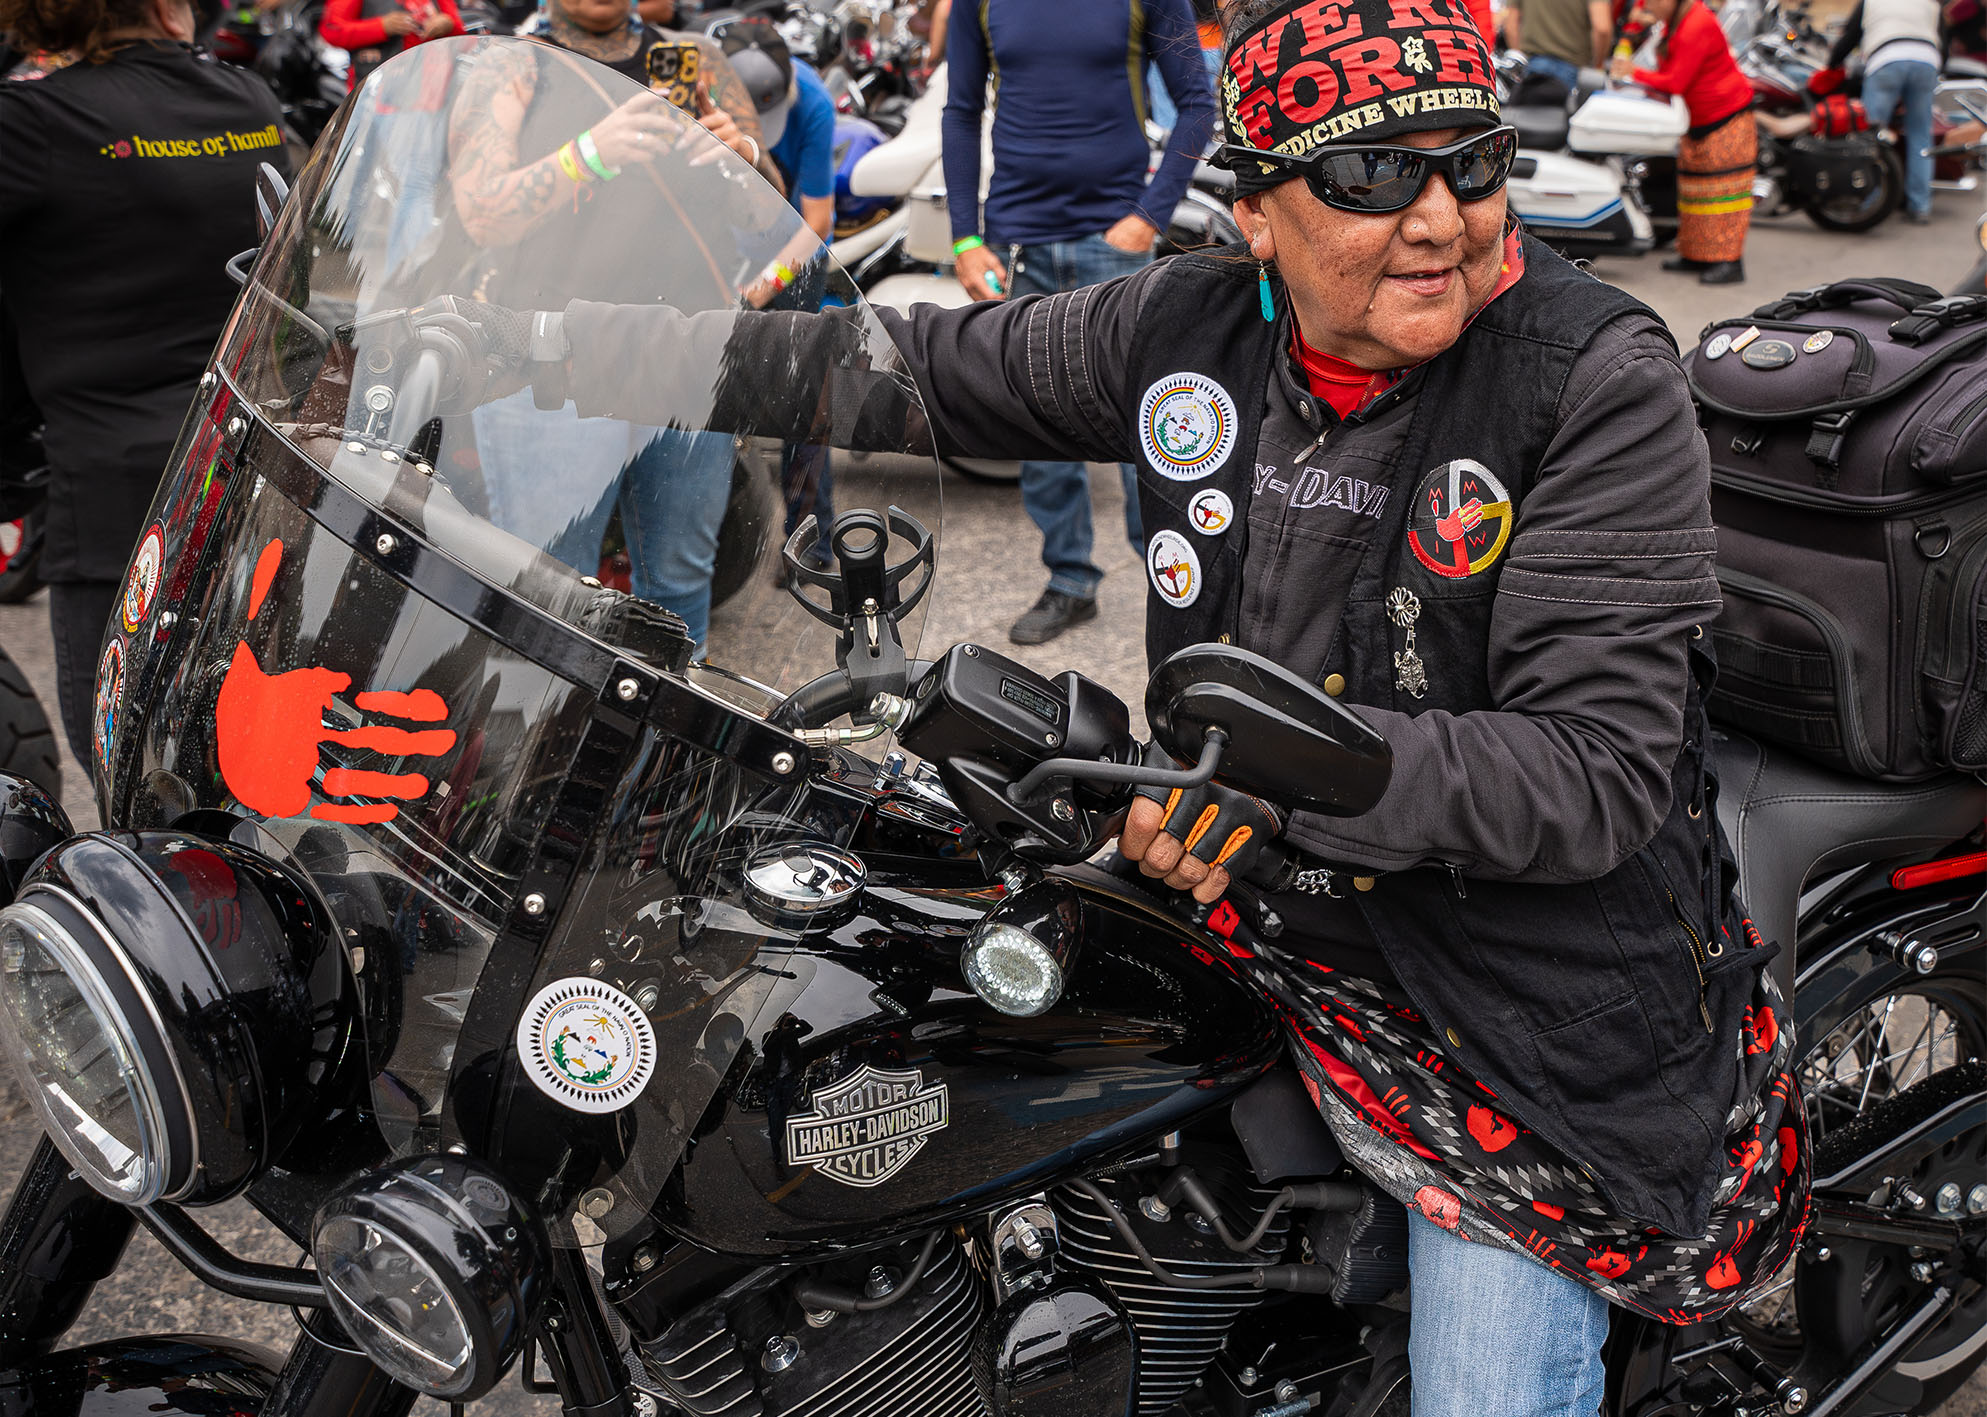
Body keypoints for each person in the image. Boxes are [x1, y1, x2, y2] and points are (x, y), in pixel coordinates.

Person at [532, 0, 1809, 1403]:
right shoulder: (1188, 324)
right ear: (1256, 212)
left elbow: (1590, 771)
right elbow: (906, 379)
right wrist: (552, 348)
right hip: (1235, 911)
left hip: (1514, 1013)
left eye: (1471, 160)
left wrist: (1282, 788)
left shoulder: (1589, 378)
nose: (1439, 214)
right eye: (1370, 174)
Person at [0, 0, 287, 765]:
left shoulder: (33, 121)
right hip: (254, 474)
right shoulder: (249, 101)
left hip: (117, 495)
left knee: (126, 773)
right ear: (166, 8)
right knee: (247, 771)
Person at [446, 7, 772, 645]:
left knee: (680, 581)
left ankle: (667, 740)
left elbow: (769, 210)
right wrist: (592, 152)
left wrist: (743, 154)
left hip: (689, 354)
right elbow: (481, 215)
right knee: (549, 587)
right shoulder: (514, 65)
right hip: (552, 361)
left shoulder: (695, 58)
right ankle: (552, 737)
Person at [943, 0, 1214, 647]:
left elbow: (1197, 103)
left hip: (1113, 243)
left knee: (1147, 424)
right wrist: (962, 238)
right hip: (1017, 245)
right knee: (1039, 425)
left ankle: (1174, 584)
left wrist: (1150, 214)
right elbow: (959, 110)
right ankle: (1070, 580)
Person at [1612, 0, 1755, 282]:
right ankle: (1695, 256)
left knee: (1723, 194)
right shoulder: (1678, 20)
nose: (1648, 9)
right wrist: (1640, 24)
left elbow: (1676, 82)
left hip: (1726, 117)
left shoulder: (1696, 23)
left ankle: (1729, 262)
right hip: (1698, 119)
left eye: (1652, 5)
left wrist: (1632, 71)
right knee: (1694, 193)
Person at [1819, 0, 1944, 225]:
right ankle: (1920, 206)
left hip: (1886, 58)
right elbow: (1942, 36)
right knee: (1920, 134)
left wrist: (1831, 64)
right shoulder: (1929, 2)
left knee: (1870, 135)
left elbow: (1850, 36)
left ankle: (1871, 201)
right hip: (1927, 60)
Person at [318, 0, 460, 90]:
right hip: (378, 96)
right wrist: (382, 26)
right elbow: (332, 30)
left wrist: (447, 23)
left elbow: (460, 31)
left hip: (434, 92)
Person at [1505, 0, 1611, 90]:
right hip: (1572, 69)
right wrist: (1598, 64)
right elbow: (1602, 28)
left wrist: (1521, 62)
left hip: (1533, 67)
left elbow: (1510, 26)